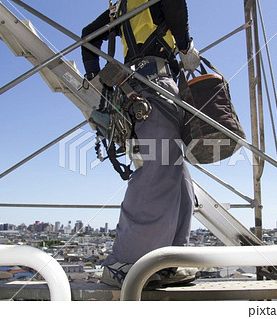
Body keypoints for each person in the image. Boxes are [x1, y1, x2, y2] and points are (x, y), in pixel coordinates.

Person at [81, 0, 200, 289]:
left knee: (176, 171)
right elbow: (174, 6)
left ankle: (169, 260)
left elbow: (88, 36)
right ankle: (126, 262)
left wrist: (94, 74)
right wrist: (184, 47)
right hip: (155, 84)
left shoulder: (121, 8)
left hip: (136, 86)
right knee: (160, 168)